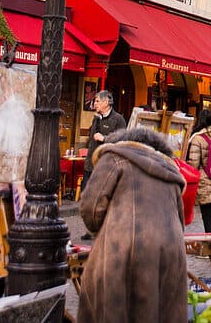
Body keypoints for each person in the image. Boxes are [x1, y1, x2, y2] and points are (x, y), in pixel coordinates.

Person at [78, 128, 187, 323]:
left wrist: (104, 232)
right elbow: (181, 218)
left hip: (123, 248)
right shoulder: (170, 171)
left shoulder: (114, 157)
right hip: (171, 251)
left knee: (116, 309)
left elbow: (91, 208)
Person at [81, 90, 126, 240]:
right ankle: (91, 228)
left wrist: (105, 138)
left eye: (97, 101)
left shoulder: (118, 119)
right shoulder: (96, 118)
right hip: (91, 164)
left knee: (105, 199)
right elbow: (92, 137)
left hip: (107, 166)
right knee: (88, 198)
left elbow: (122, 140)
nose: (95, 104)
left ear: (106, 102)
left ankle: (105, 229)